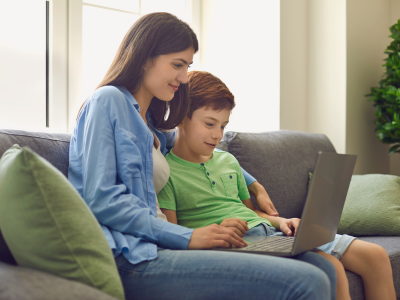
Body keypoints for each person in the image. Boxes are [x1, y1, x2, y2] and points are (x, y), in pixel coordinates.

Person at [68, 12, 338, 300]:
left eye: (188, 66)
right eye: (177, 65)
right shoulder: (107, 101)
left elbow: (200, 152)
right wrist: (190, 236)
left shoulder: (154, 128)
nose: (184, 78)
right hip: (132, 255)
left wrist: (253, 184)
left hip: (162, 246)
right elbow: (101, 199)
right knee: (308, 281)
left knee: (323, 266)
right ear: (145, 57)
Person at [158, 70, 397, 300]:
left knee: (372, 255)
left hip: (269, 234)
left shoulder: (228, 161)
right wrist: (216, 229)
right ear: (180, 117)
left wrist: (283, 221)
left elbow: (251, 211)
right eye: (210, 124)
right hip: (234, 245)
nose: (218, 135)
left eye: (223, 126)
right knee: (331, 268)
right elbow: (175, 235)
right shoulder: (167, 172)